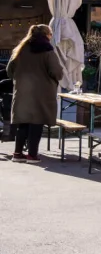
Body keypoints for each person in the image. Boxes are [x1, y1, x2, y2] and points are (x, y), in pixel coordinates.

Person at [7, 24, 63, 161]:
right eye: (50, 34)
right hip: (42, 94)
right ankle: (32, 155)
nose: (51, 37)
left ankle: (17, 154)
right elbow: (57, 72)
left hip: (22, 92)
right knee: (37, 123)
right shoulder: (48, 51)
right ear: (46, 35)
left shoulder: (20, 50)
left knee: (23, 123)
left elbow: (9, 70)